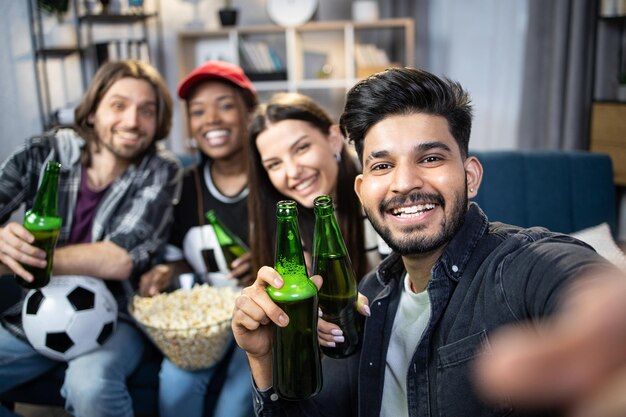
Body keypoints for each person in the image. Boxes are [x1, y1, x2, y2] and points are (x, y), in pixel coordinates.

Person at [231, 67, 625, 417]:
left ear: (470, 177)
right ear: (362, 189)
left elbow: (574, 280)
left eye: (431, 158)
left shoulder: (515, 265)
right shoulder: (369, 296)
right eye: (383, 166)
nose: (404, 183)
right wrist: (264, 358)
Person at [0, 59, 181, 417]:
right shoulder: (42, 153)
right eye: (118, 105)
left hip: (117, 317)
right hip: (34, 311)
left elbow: (119, 259)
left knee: (91, 388)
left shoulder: (161, 168)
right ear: (92, 112)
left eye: (147, 111)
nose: (132, 121)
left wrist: (17, 260)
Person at [138, 60, 256, 417]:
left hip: (261, 316)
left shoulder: (275, 178)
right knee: (175, 388)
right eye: (198, 111)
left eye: (225, 105)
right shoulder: (183, 187)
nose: (211, 120)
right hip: (206, 321)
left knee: (234, 406)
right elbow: (179, 258)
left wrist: (266, 260)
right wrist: (165, 273)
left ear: (249, 113)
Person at [247, 92, 388, 281]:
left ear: (334, 140)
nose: (292, 172)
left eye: (301, 148)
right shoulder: (282, 221)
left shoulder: (380, 195)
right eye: (274, 164)